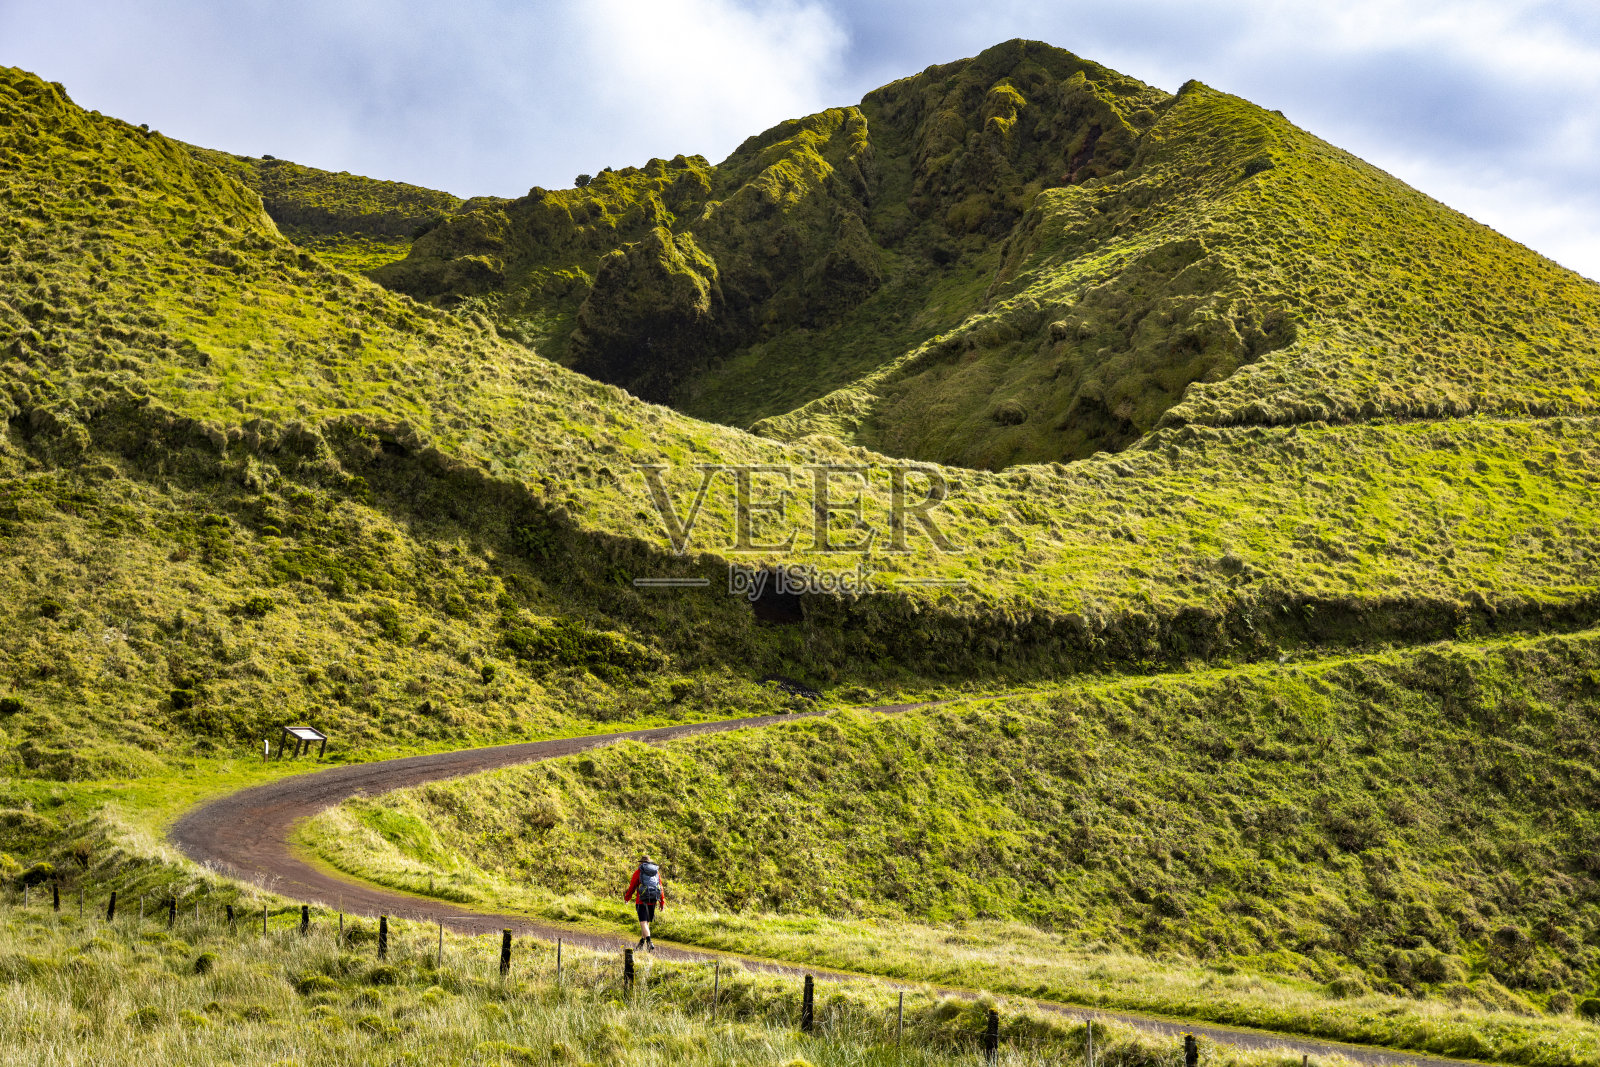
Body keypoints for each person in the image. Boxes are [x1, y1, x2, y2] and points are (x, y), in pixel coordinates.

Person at [623, 854, 665, 951]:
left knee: (643, 922)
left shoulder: (638, 872)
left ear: (642, 863)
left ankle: (649, 942)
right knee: (646, 922)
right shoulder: (656, 872)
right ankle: (642, 941)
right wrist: (662, 902)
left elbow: (632, 886)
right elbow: (660, 888)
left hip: (641, 900)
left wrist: (627, 897)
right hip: (653, 900)